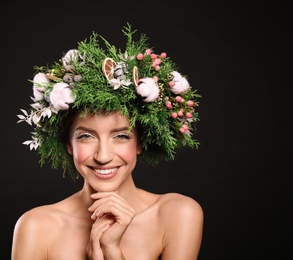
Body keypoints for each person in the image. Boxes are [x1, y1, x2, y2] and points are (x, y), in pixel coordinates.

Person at [13, 24, 203, 259]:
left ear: (140, 143)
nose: (103, 156)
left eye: (121, 136)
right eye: (86, 136)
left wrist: (112, 252)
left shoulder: (177, 215)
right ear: (69, 144)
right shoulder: (36, 227)